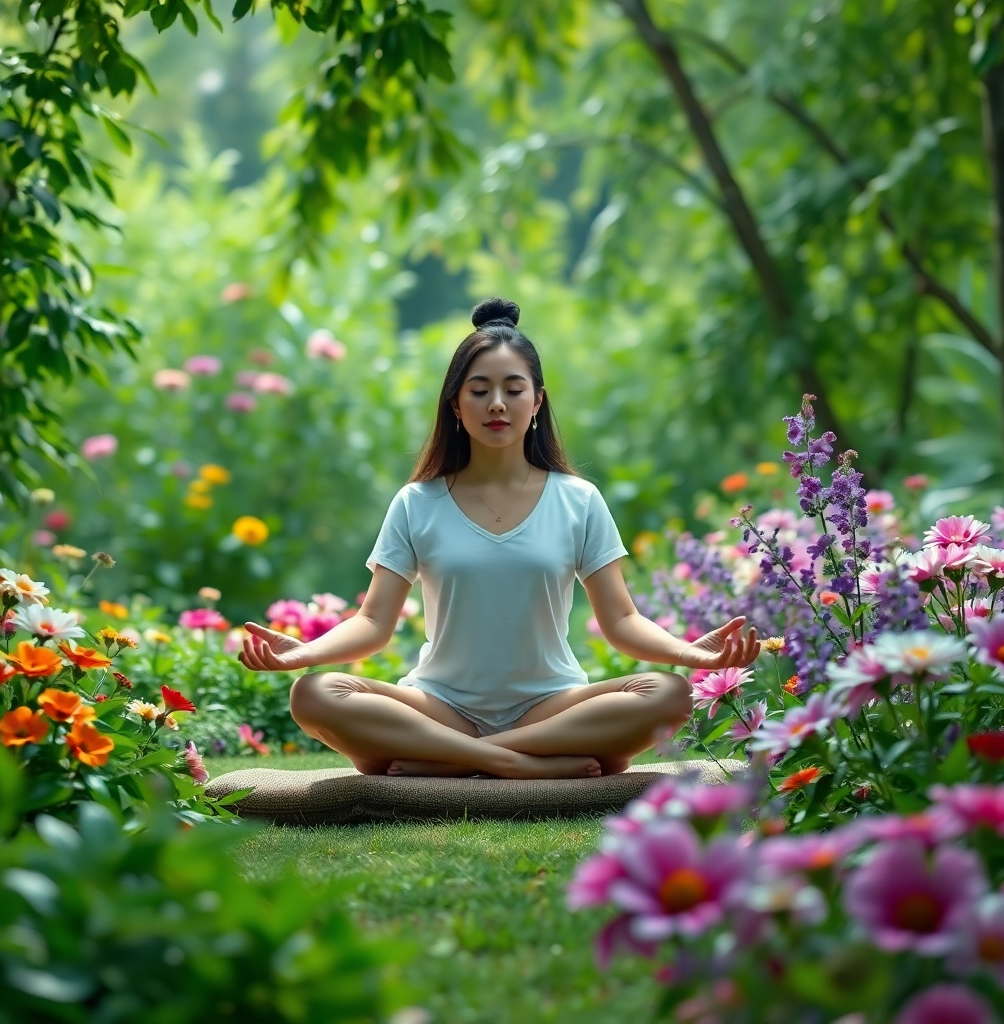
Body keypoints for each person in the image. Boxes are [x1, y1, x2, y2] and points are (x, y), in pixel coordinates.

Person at [239, 297, 760, 779]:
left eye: (513, 389)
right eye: (480, 390)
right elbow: (373, 622)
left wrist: (692, 655)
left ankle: (444, 759)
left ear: (536, 402)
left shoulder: (578, 500)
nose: (496, 404)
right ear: (455, 404)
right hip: (439, 706)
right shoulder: (417, 503)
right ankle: (522, 763)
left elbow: (621, 620)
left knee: (666, 695)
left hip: (552, 705)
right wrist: (299, 656)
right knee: (315, 695)